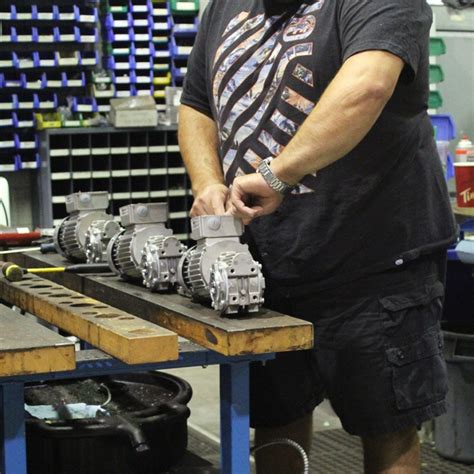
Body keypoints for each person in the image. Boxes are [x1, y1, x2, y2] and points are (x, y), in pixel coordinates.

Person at [178, 0, 458, 472]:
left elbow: (368, 85)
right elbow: (197, 104)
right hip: (264, 263)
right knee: (276, 417)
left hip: (372, 262)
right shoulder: (225, 7)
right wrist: (207, 182)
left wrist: (280, 173)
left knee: (387, 427)